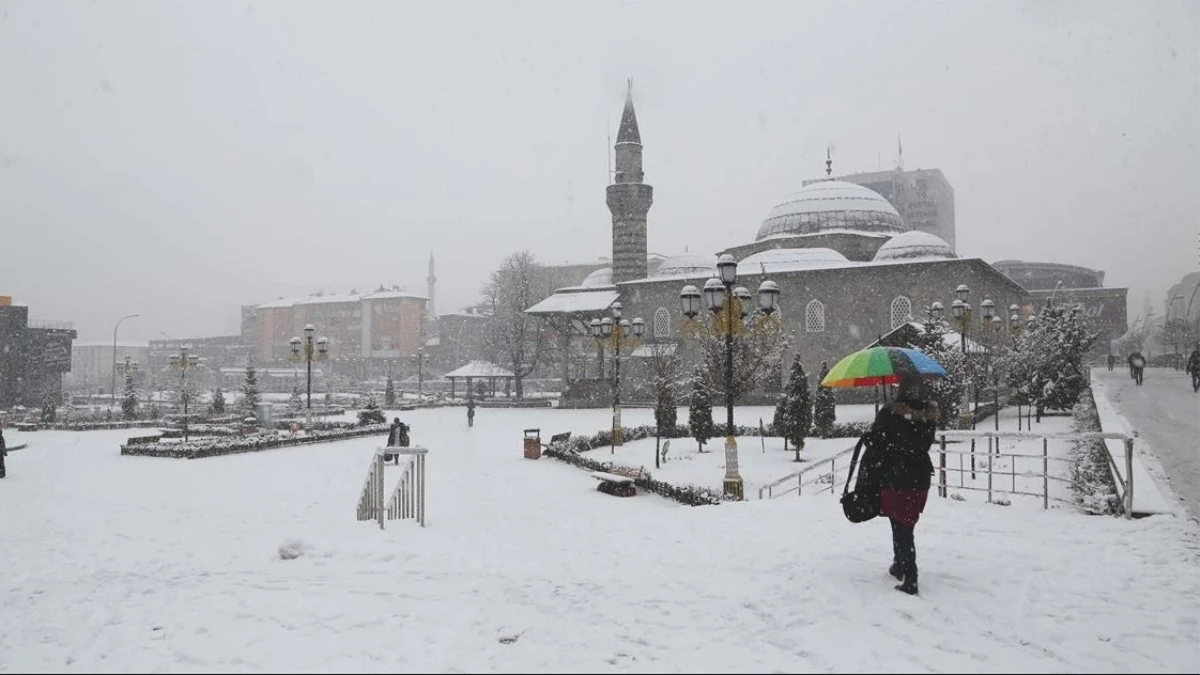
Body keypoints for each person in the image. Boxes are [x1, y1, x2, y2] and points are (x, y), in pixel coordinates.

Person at [865, 371, 938, 596]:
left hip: (897, 477)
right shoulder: (928, 415)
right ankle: (899, 564)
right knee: (905, 523)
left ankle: (910, 577)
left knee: (901, 526)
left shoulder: (890, 413)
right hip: (920, 477)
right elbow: (922, 443)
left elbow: (877, 440)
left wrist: (882, 424)